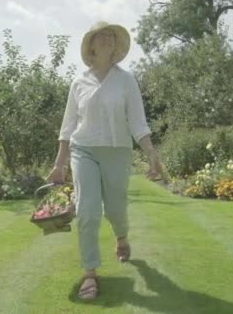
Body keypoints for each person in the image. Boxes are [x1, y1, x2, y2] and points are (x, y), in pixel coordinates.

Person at [46, 21, 164, 301]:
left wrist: (151, 153)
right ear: (92, 44)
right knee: (87, 210)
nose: (109, 39)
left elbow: (137, 121)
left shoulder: (126, 79)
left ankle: (121, 237)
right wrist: (59, 164)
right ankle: (90, 273)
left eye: (112, 36)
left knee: (115, 209)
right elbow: (68, 125)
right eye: (103, 35)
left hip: (117, 151)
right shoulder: (78, 82)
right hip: (83, 149)